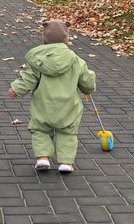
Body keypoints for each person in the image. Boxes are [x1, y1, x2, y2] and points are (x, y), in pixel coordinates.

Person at [8, 18, 96, 174]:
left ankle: (43, 158)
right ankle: (65, 162)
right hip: (69, 106)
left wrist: (16, 89)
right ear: (66, 39)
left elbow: (28, 78)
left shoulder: (38, 61)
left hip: (44, 104)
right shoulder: (76, 61)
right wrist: (88, 88)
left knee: (40, 130)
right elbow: (86, 80)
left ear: (44, 38)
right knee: (67, 132)